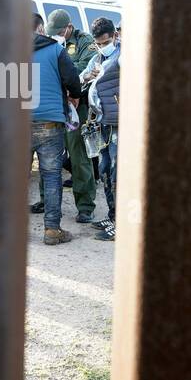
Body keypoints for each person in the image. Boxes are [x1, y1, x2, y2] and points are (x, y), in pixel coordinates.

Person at [41, 8, 98, 223]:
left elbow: (87, 66)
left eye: (59, 31)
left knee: (78, 155)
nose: (55, 34)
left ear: (69, 27)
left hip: (76, 106)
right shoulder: (47, 42)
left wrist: (64, 70)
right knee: (48, 154)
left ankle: (85, 206)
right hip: (54, 104)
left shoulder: (84, 41)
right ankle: (45, 201)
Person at [31, 11, 82, 244]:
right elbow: (73, 80)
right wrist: (74, 95)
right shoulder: (56, 50)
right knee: (51, 176)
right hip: (50, 122)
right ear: (41, 29)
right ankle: (52, 230)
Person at [81, 16, 120, 241]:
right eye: (99, 43)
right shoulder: (96, 57)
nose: (102, 47)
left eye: (105, 42)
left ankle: (120, 223)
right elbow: (81, 77)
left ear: (114, 36)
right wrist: (89, 75)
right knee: (104, 169)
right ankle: (112, 215)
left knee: (117, 172)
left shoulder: (124, 55)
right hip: (102, 123)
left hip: (119, 124)